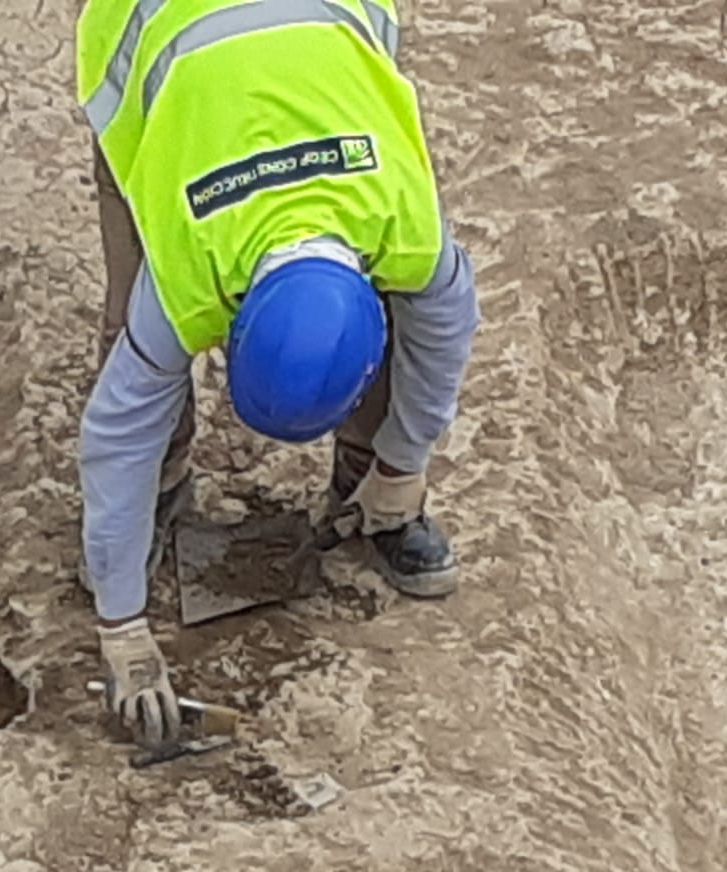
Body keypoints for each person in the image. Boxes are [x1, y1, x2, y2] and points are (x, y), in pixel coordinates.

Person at [77, 0, 480, 747]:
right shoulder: (190, 274)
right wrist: (122, 625)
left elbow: (445, 329)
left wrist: (405, 465)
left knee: (401, 333)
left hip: (320, 42)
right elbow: (115, 428)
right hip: (151, 41)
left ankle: (373, 497)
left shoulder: (400, 214)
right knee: (131, 324)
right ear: (226, 330)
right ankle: (159, 495)